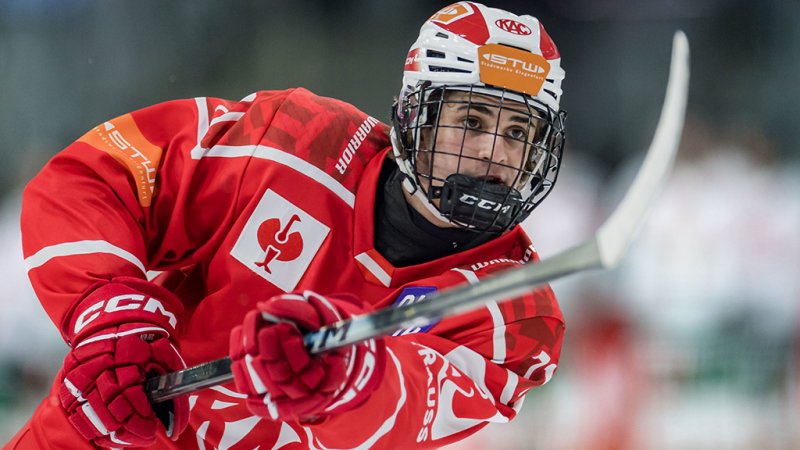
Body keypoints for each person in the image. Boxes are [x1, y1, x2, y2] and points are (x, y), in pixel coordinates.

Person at [6, 2, 568, 448]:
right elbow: (96, 177)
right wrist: (110, 315)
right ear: (413, 114)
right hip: (111, 430)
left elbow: (409, 408)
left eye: (518, 133)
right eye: (471, 120)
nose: (493, 154)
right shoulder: (292, 140)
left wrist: (348, 379)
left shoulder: (516, 313)